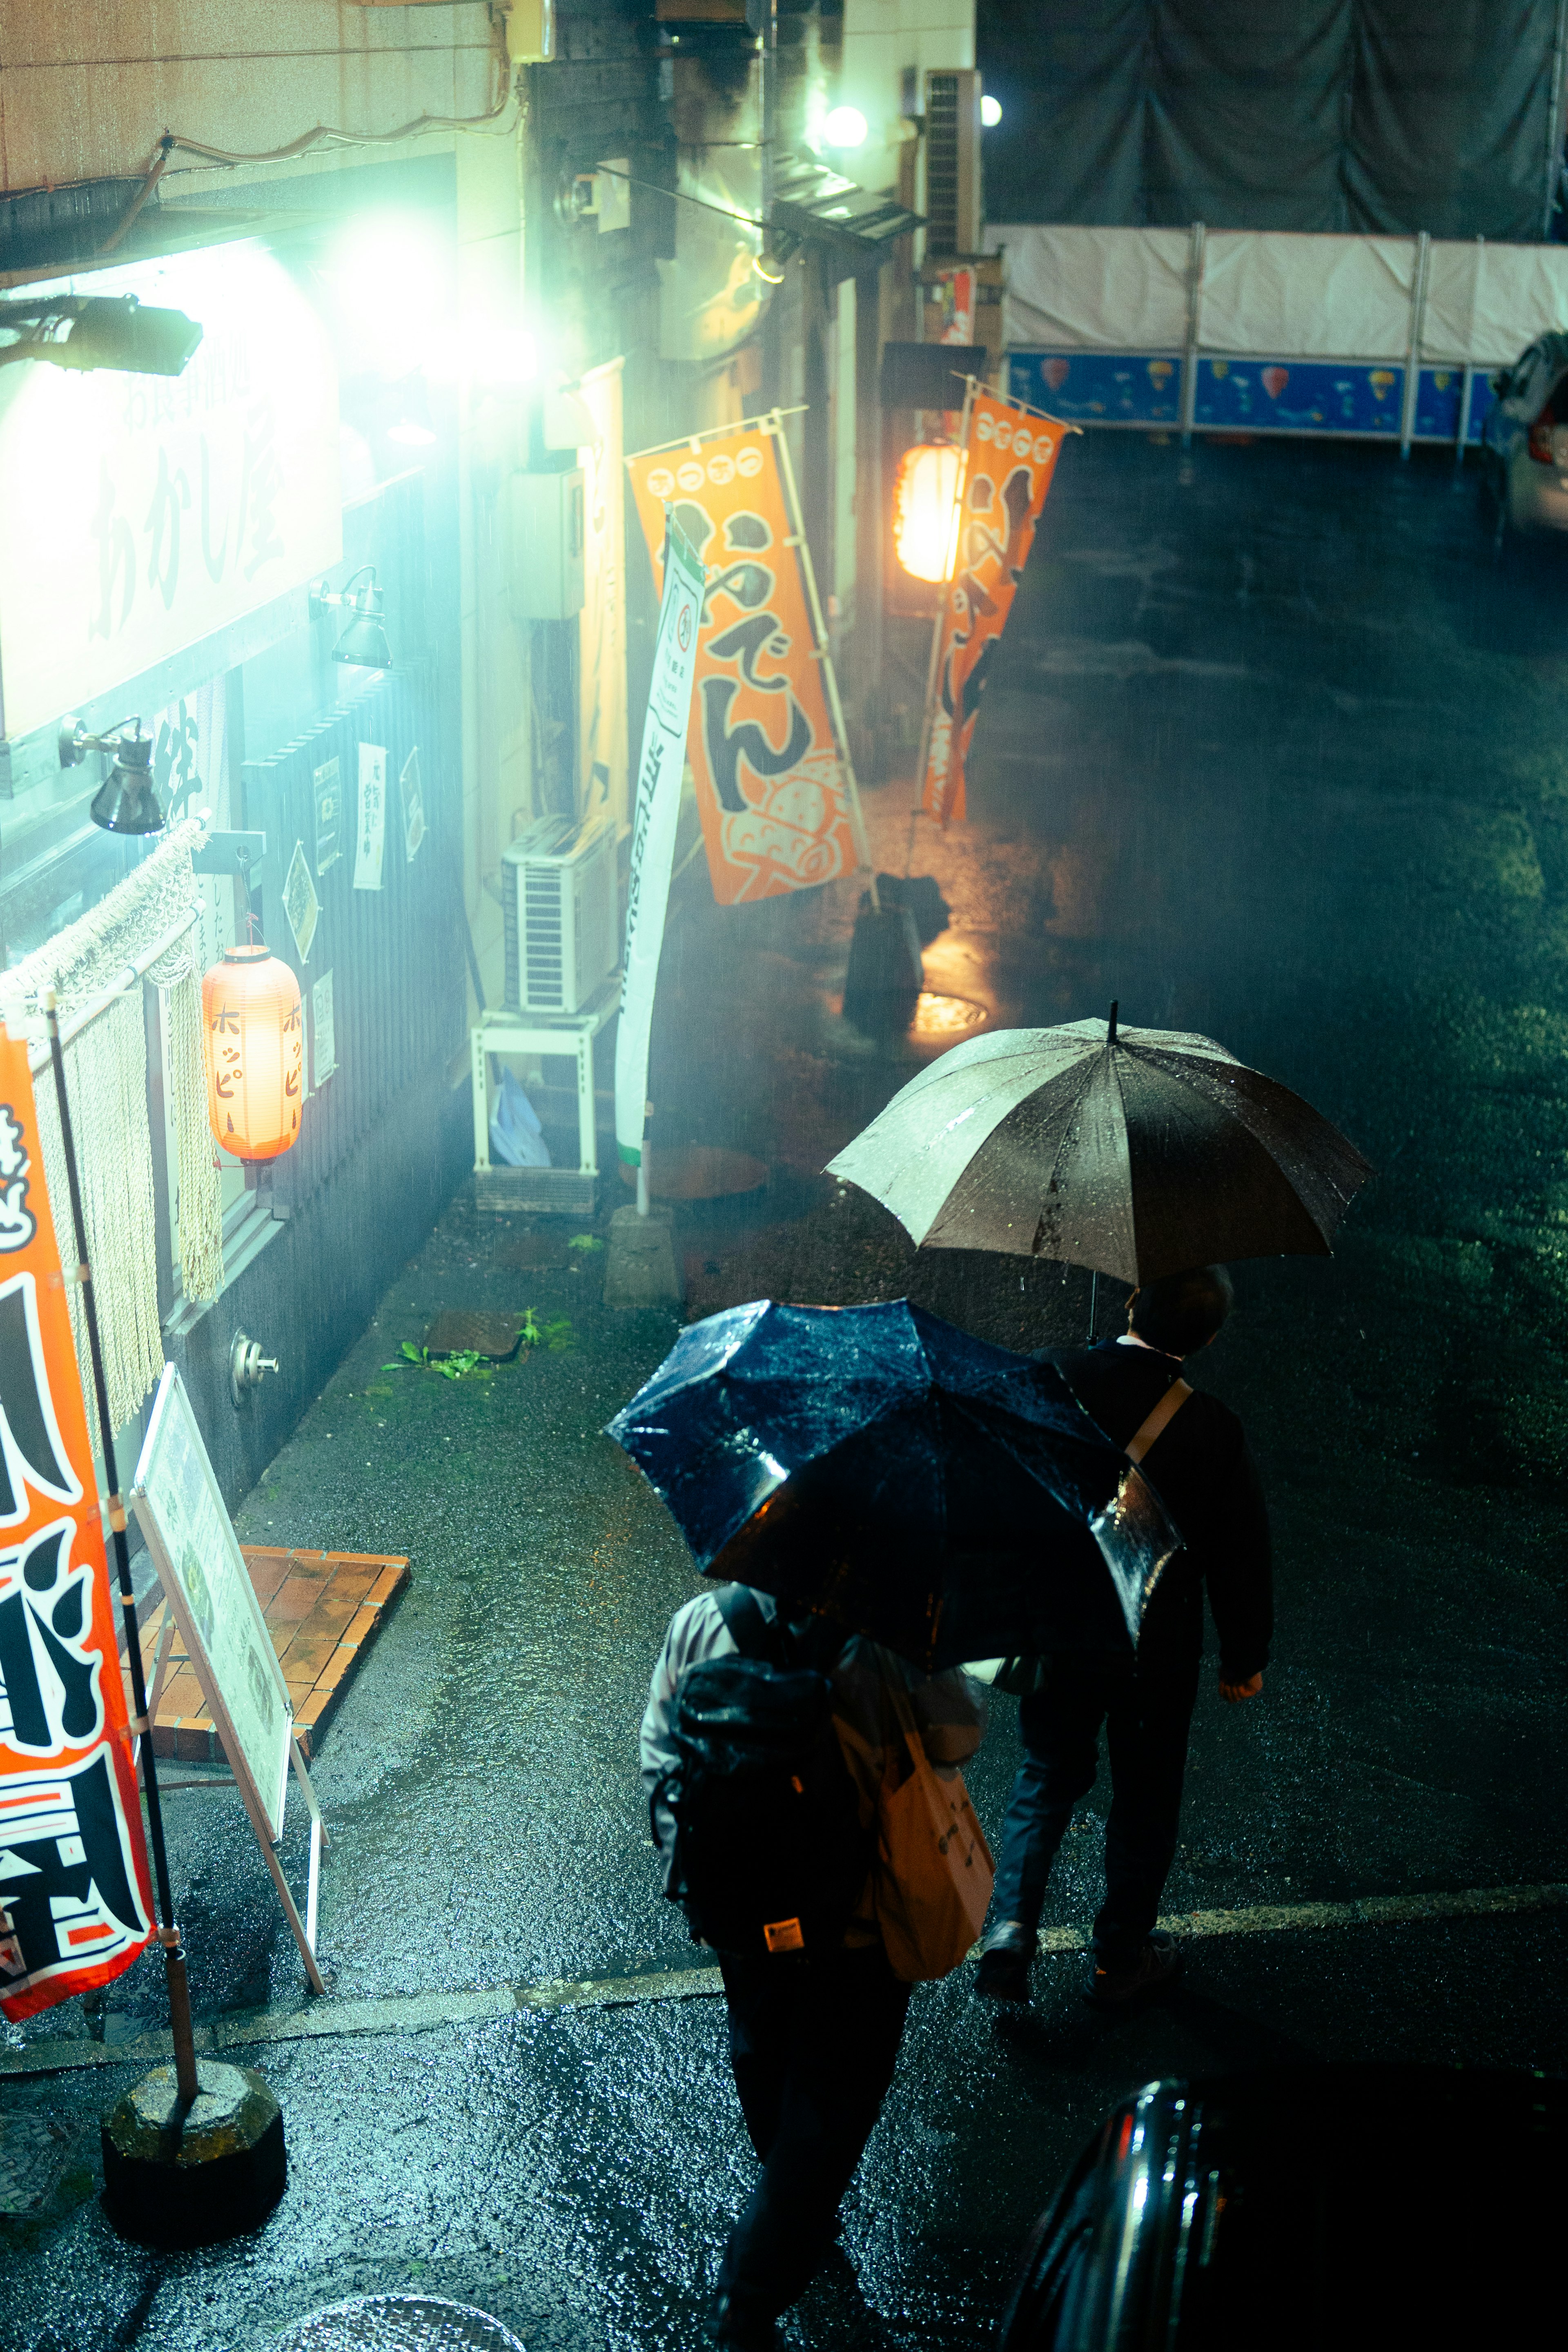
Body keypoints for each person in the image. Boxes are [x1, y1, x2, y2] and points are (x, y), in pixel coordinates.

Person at [641, 1585, 985, 2348]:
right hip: (856, 1925)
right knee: (831, 2112)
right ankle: (748, 2294)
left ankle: (794, 2212)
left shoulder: (702, 1624)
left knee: (764, 2060)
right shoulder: (891, 1635)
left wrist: (695, 1879)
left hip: (743, 1918)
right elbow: (959, 1737)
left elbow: (662, 1750)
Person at [974, 1264, 1271, 2009]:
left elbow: (1001, 1489)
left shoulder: (1053, 1378)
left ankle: (1010, 1929)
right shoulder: (1212, 1427)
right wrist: (1244, 1656)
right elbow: (1240, 1550)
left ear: (1134, 1302)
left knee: (1046, 1776)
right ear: (1205, 1338)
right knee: (1146, 1798)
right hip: (1155, 1642)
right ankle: (1121, 1956)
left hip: (1063, 1624)